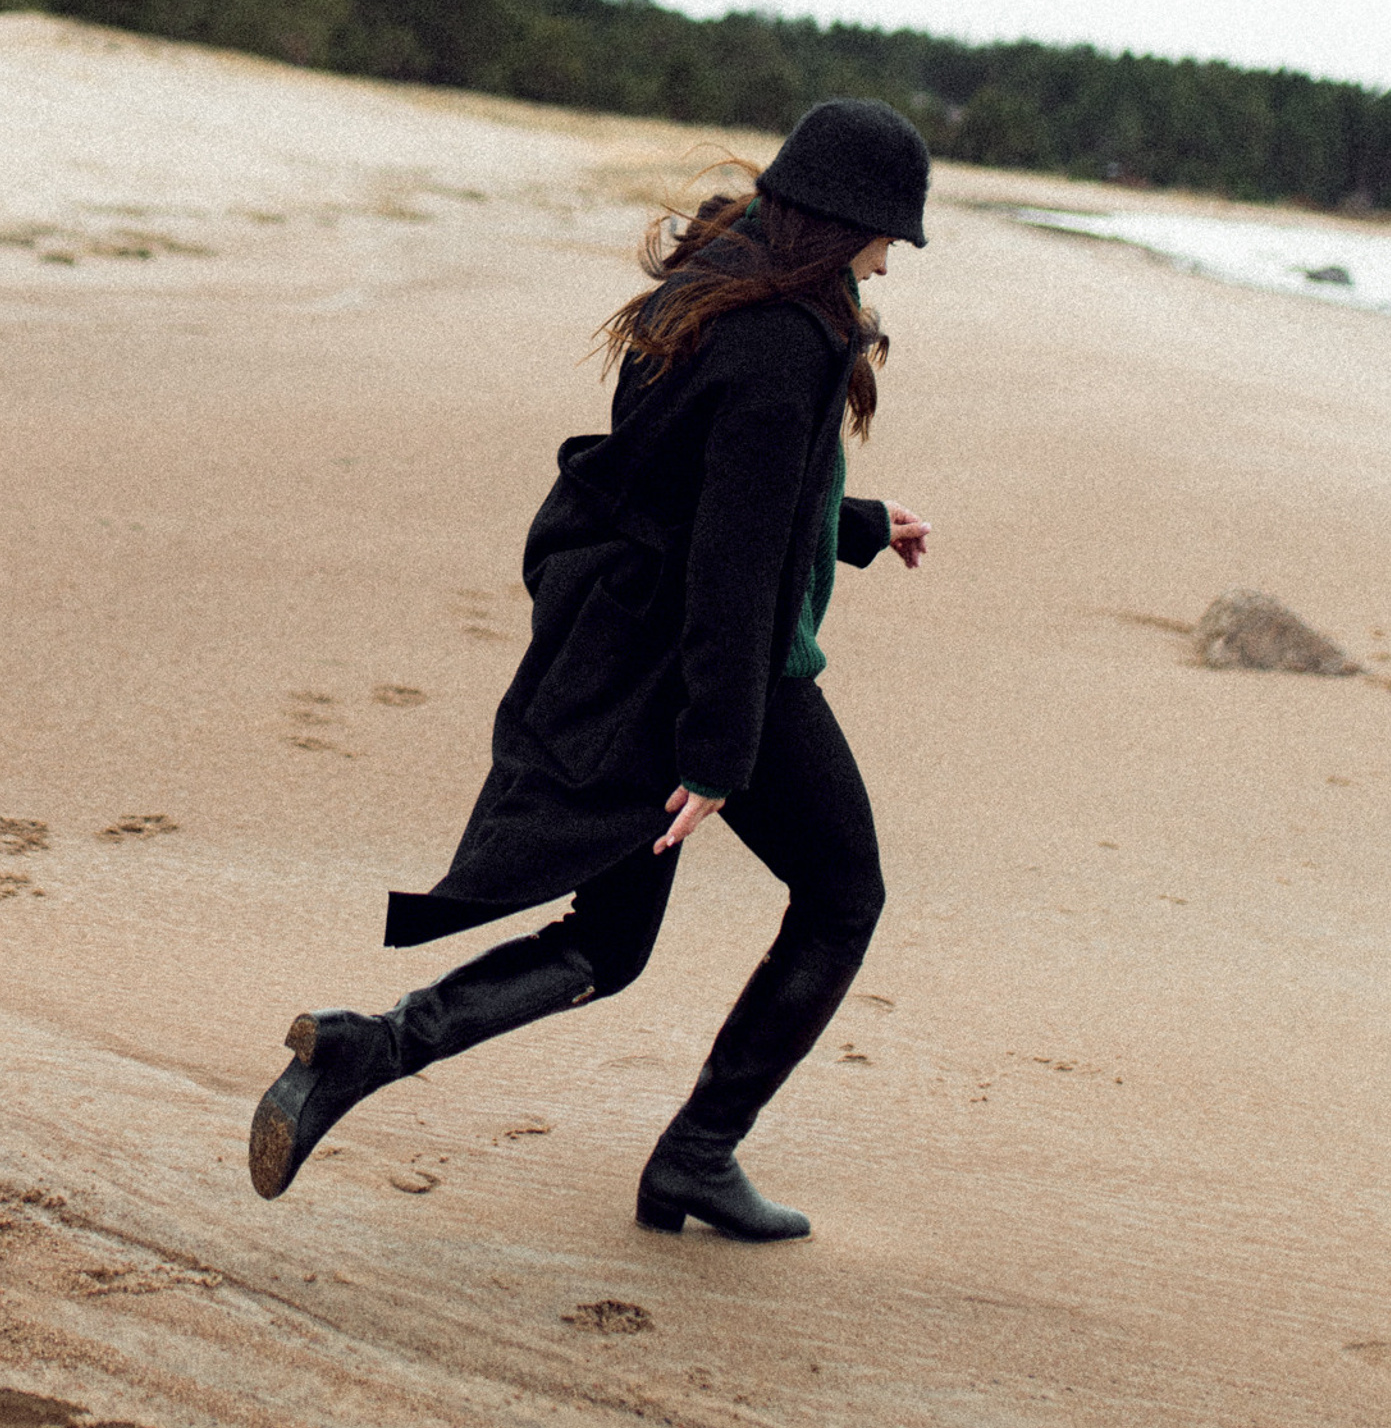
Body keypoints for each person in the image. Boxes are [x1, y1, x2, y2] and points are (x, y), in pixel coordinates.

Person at [247, 98, 935, 1241]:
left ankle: (368, 1049)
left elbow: (701, 484)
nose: (888, 261)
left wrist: (855, 523)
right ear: (844, 219)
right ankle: (696, 1157)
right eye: (886, 236)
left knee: (607, 944)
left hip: (636, 649)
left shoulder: (722, 279)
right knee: (842, 897)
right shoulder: (785, 343)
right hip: (721, 674)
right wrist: (717, 756)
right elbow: (730, 563)